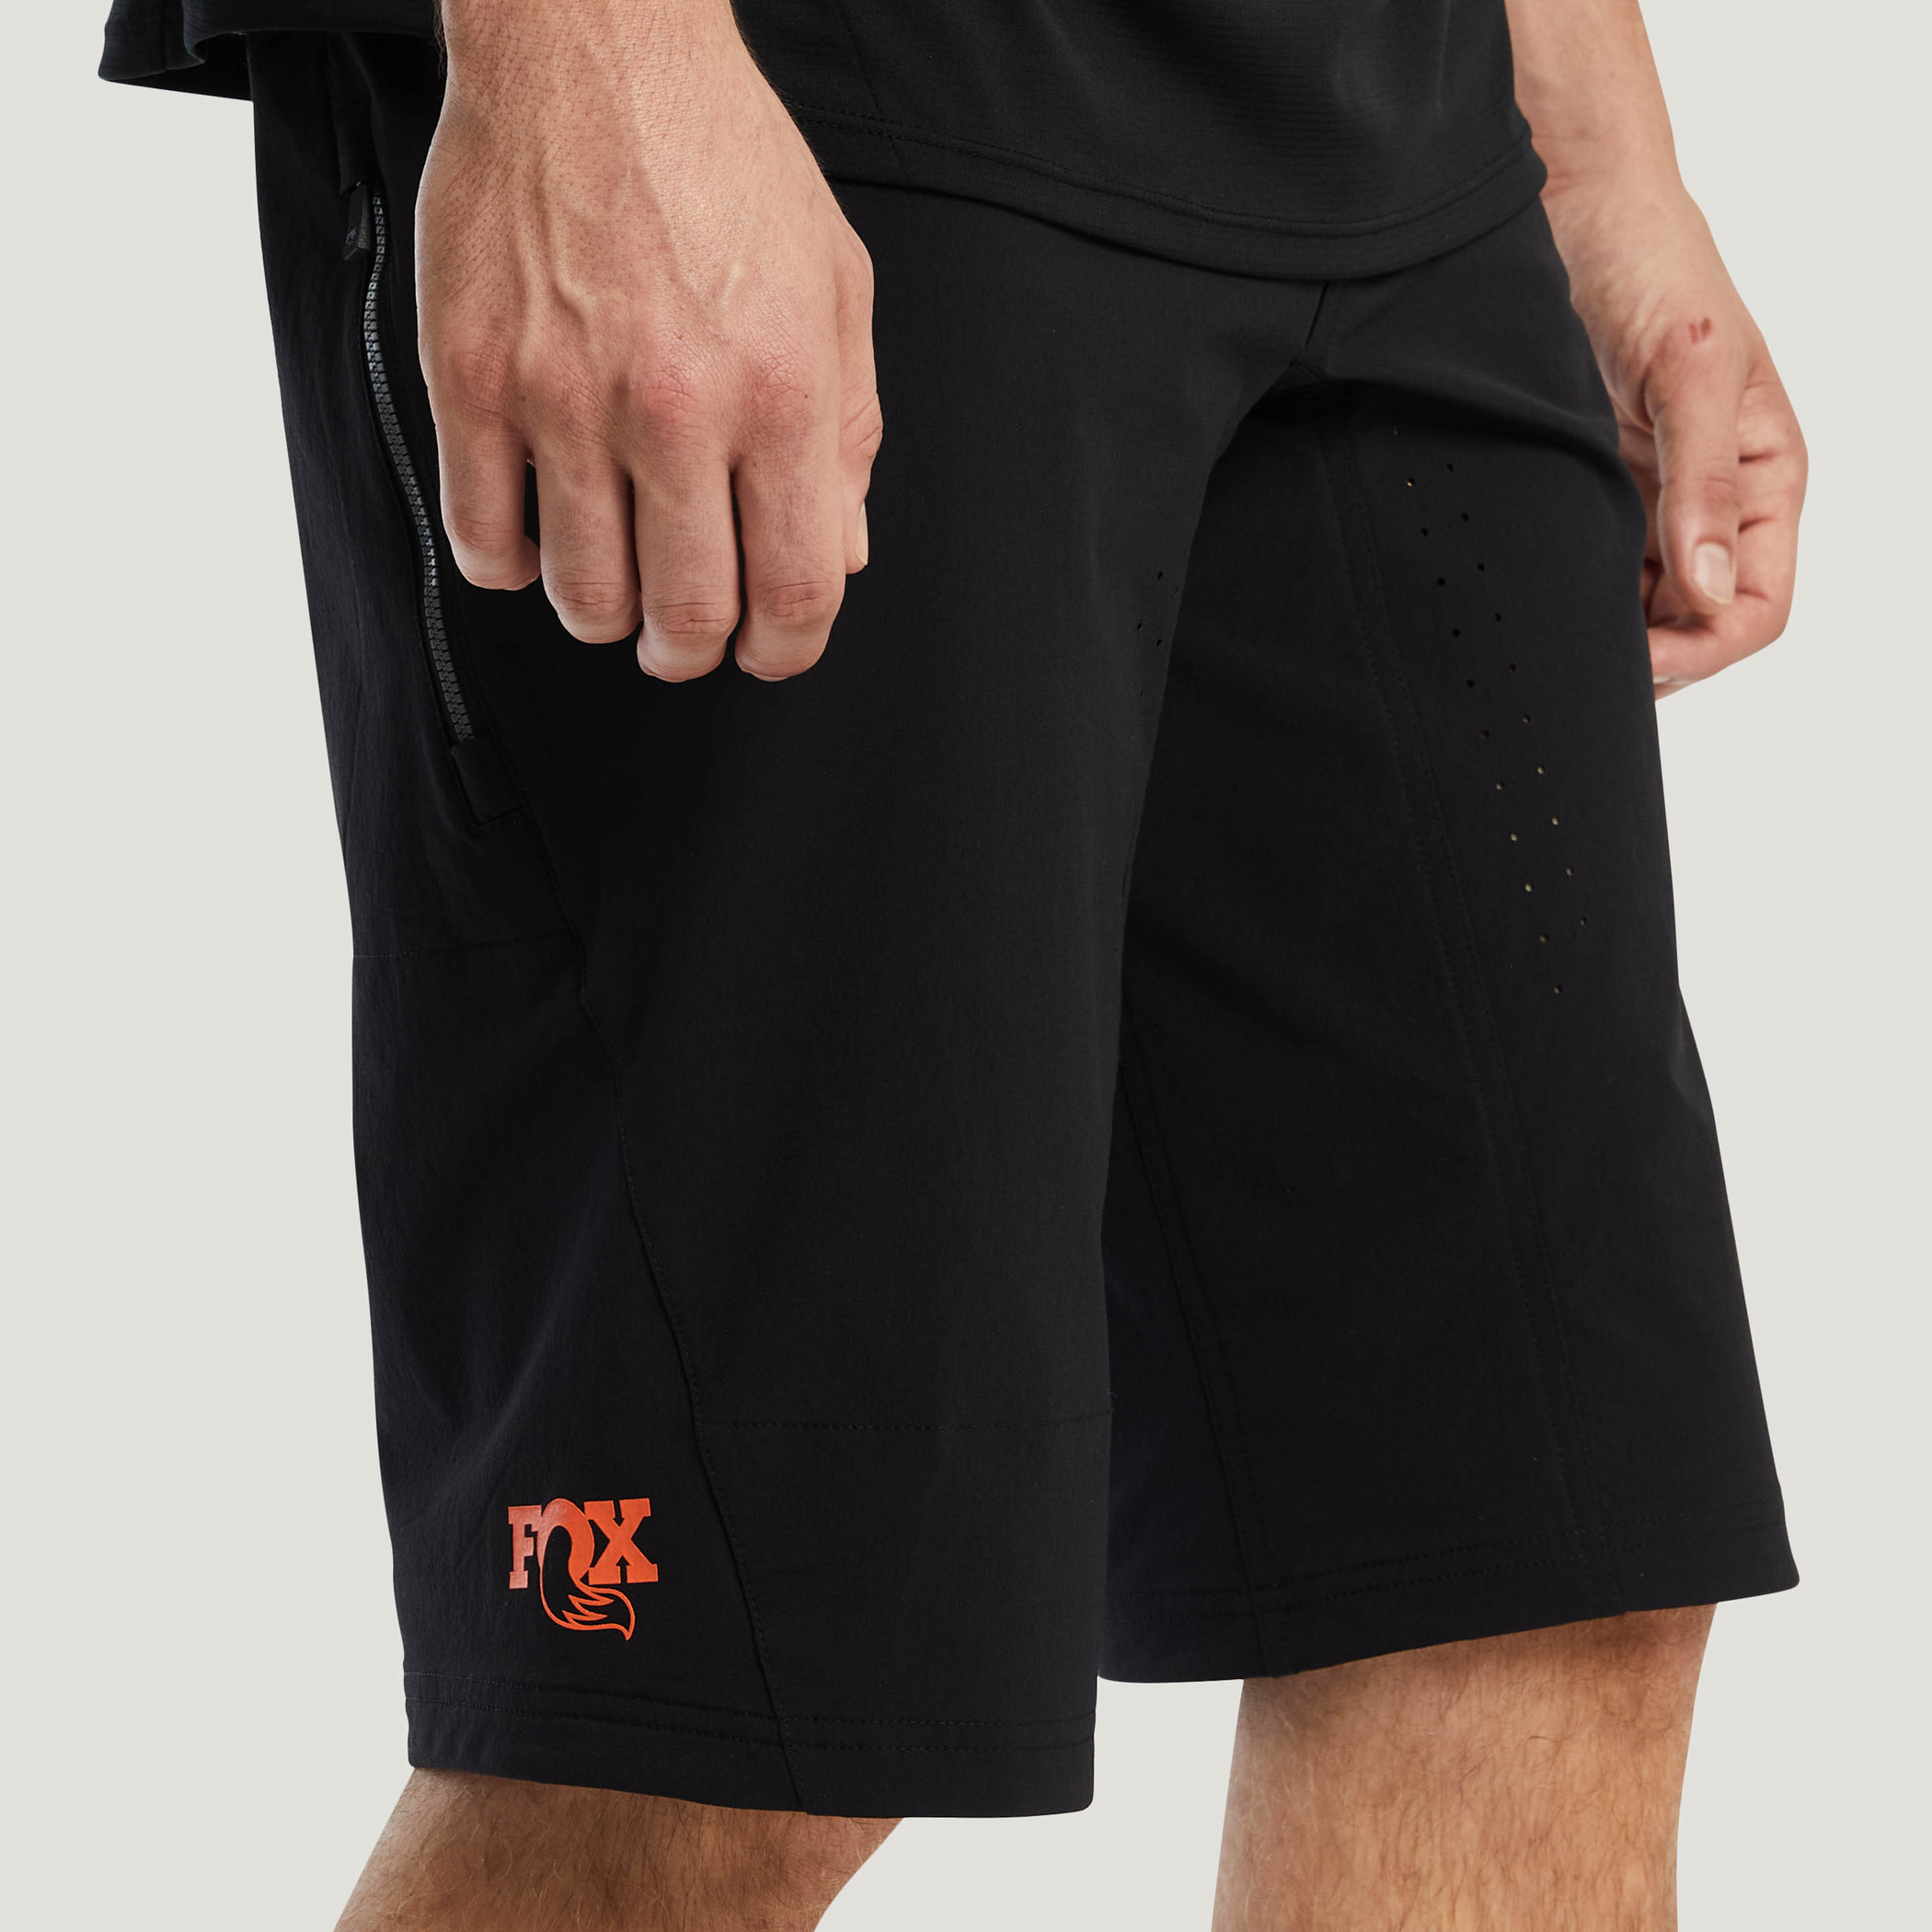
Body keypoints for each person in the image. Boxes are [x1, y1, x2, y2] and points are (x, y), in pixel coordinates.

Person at [99, 0, 1805, 1922]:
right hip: (789, 89)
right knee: (737, 1683)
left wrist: (1602, 148)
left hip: (1406, 124)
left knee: (1533, 1574)